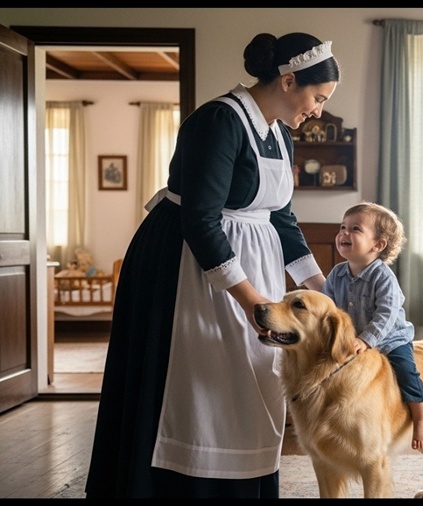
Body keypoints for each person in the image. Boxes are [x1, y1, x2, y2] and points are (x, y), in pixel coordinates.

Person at [84, 32, 341, 498]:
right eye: (317, 97)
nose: (318, 111)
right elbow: (200, 220)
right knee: (202, 384)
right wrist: (251, 301)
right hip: (190, 267)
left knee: (253, 381)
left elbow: (282, 217)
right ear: (287, 80)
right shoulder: (219, 121)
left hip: (252, 267)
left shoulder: (280, 132)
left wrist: (321, 286)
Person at [323, 202, 423, 450]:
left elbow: (386, 314)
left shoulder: (383, 276)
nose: (344, 233)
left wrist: (366, 340)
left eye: (355, 229)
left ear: (378, 244)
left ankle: (421, 417)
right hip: (352, 340)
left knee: (406, 372)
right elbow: (328, 308)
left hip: (388, 339)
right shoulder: (337, 274)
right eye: (343, 227)